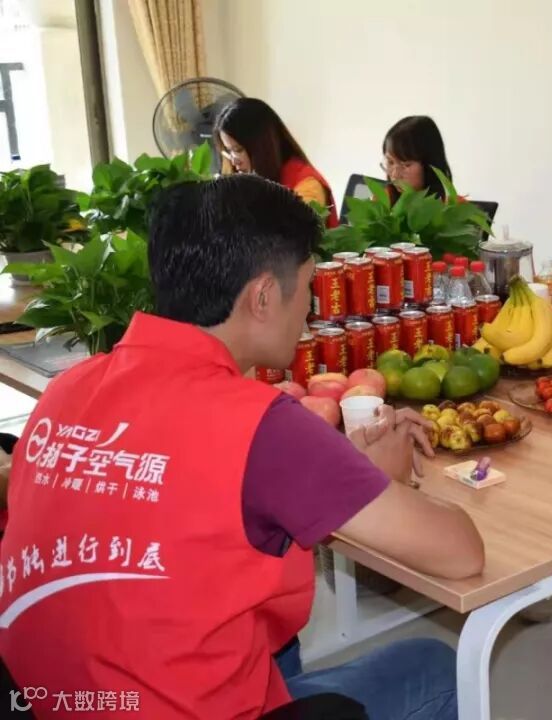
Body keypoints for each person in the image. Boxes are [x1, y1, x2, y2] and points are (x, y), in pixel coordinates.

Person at [0, 175, 484, 719]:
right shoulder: (261, 426)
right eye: (307, 287)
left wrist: (345, 479)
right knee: (435, 668)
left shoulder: (68, 388)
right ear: (263, 296)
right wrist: (382, 480)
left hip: (50, 700)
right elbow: (461, 552)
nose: (310, 309)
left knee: (278, 644)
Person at [215, 97, 339, 226]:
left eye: (238, 150)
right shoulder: (243, 176)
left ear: (263, 147)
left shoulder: (307, 186)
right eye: (229, 150)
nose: (234, 161)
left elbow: (295, 235)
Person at [382, 115, 454, 199]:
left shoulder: (451, 205)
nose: (395, 175)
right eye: (390, 162)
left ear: (429, 165)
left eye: (406, 165)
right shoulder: (381, 201)